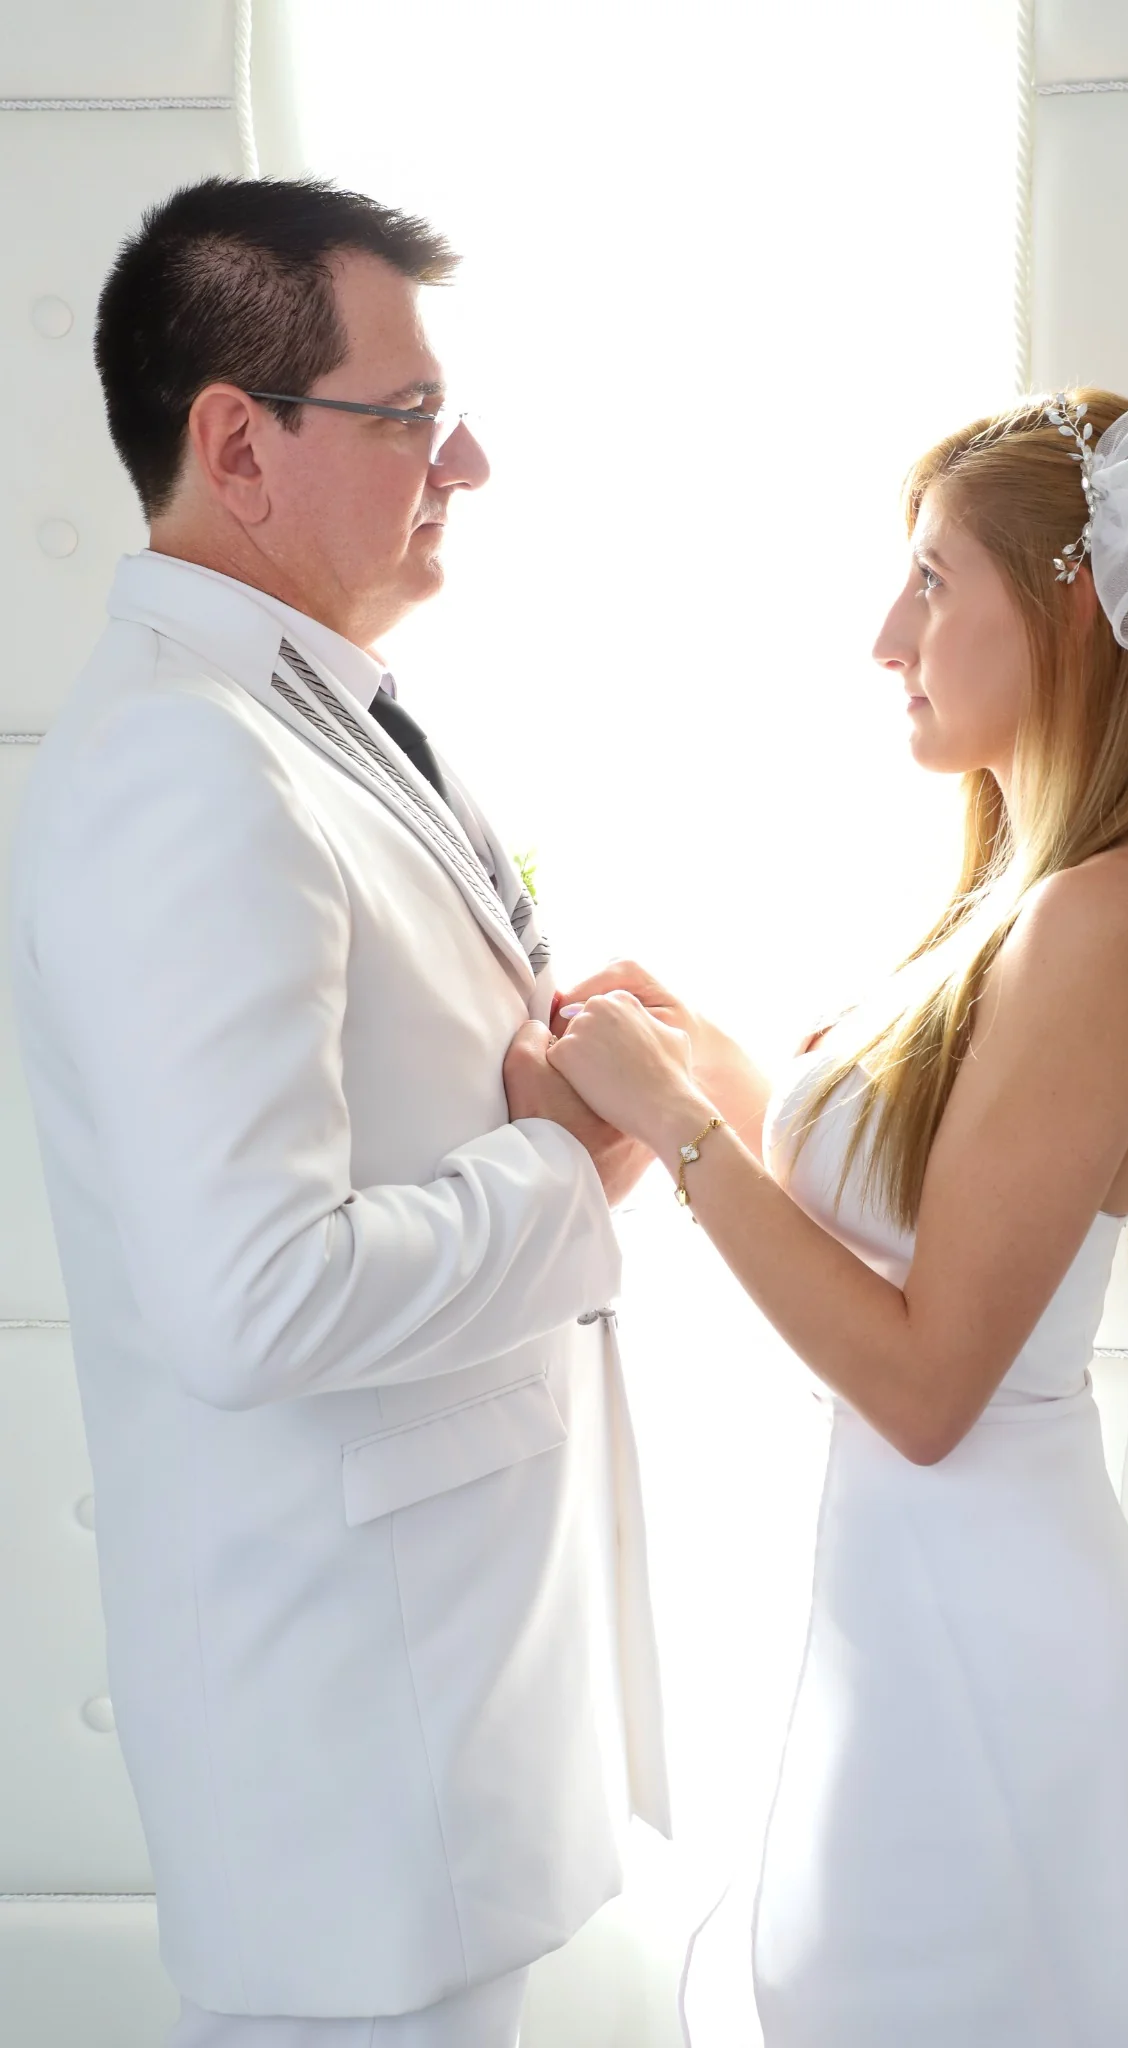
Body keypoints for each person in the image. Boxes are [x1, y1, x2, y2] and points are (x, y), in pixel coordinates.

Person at [526, 391, 1128, 2045]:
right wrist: (709, 1065)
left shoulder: (1117, 923)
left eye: (930, 580)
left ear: (1067, 605)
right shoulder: (1032, 900)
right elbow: (932, 1214)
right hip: (921, 1633)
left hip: (997, 1651)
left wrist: (679, 1126)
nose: (884, 634)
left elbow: (925, 1387)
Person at [9, 175, 669, 2048]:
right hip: (352, 1771)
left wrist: (544, 1049)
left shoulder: (307, 710)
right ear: (239, 443)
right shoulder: (183, 773)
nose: (466, 455)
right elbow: (256, 1296)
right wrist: (578, 1159)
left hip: (433, 1727)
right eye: (406, 413)